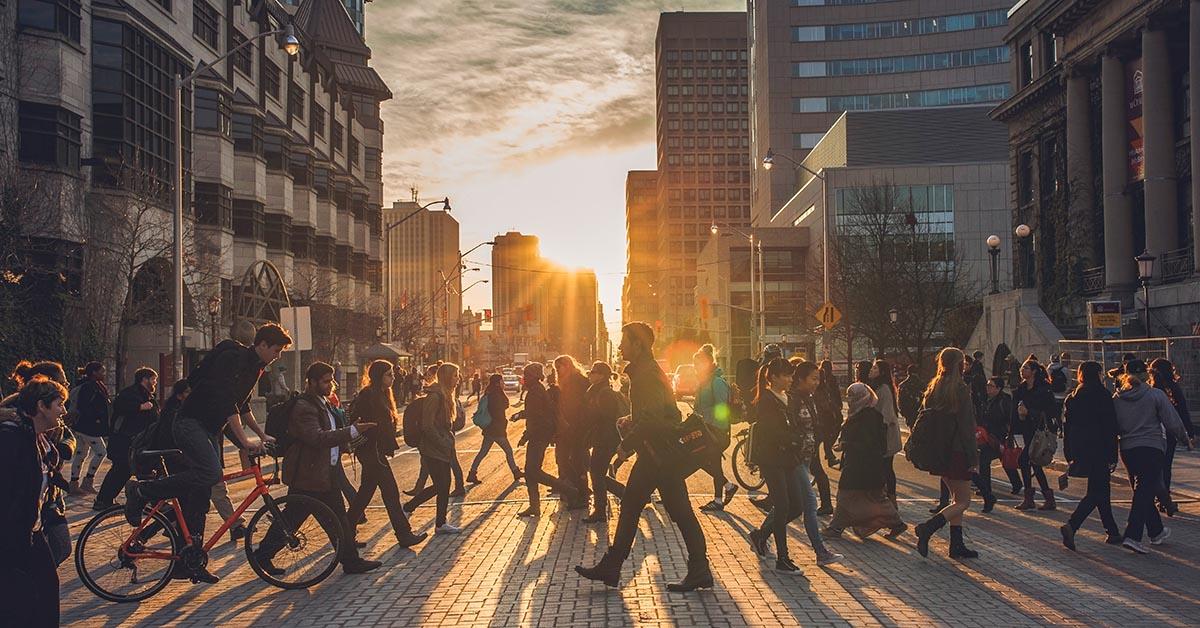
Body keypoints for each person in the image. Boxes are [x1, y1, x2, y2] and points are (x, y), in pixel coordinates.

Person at [124, 324, 288, 584]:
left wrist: (261, 434)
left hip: (210, 428)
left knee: (201, 495)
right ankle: (142, 491)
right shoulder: (234, 359)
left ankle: (190, 560)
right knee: (211, 473)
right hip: (190, 423)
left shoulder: (255, 368)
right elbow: (225, 400)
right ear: (263, 344)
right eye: (276, 350)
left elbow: (242, 404)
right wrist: (245, 441)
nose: (278, 356)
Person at [576, 322, 711, 592]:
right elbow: (655, 413)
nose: (621, 346)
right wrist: (632, 421)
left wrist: (626, 446)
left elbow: (651, 418)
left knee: (658, 510)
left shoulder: (647, 374)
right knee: (652, 509)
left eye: (625, 341)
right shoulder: (646, 372)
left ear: (637, 345)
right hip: (658, 455)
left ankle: (615, 566)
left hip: (657, 456)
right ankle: (696, 569)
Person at [253, 362, 382, 576]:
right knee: (293, 520)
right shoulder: (304, 407)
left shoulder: (322, 402)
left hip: (324, 473)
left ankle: (351, 561)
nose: (330, 384)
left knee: (336, 519)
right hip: (308, 474)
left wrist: (350, 439)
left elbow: (330, 433)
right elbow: (317, 437)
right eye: (325, 381)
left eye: (331, 380)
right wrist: (350, 432)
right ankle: (262, 556)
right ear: (311, 382)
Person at [748, 359, 842, 572]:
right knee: (782, 505)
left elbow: (794, 425)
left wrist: (797, 438)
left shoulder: (788, 398)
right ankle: (783, 558)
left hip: (790, 458)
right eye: (786, 375)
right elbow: (770, 431)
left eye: (791, 375)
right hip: (772, 459)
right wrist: (794, 438)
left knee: (797, 506)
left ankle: (761, 536)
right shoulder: (766, 400)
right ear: (773, 377)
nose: (790, 379)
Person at [1, 376, 68, 626]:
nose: (63, 410)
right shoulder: (11, 438)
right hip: (11, 534)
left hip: (32, 530)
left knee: (46, 591)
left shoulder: (38, 440)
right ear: (41, 406)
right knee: (20, 604)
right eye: (59, 404)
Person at [345, 360, 427, 549]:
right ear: (378, 376)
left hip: (376, 451)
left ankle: (346, 531)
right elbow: (367, 424)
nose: (393, 377)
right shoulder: (369, 395)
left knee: (365, 494)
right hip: (371, 451)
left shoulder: (382, 394)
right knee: (390, 493)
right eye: (389, 374)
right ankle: (404, 534)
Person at [1113, 359, 1190, 554]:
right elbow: (1172, 420)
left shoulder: (1117, 399)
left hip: (1128, 449)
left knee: (1143, 489)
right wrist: (1185, 438)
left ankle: (1156, 531)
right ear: (1146, 375)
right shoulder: (1155, 395)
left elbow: (1113, 426)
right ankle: (1133, 535)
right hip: (1151, 446)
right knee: (1144, 489)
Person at [3, 361, 76, 566]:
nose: (63, 410)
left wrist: (63, 448)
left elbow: (67, 436)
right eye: (61, 382)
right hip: (21, 520)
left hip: (46, 496)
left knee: (60, 548)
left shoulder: (39, 436)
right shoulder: (14, 429)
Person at [913, 347, 980, 560]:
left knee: (955, 497)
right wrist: (973, 457)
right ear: (959, 365)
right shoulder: (960, 389)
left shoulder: (934, 387)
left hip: (939, 449)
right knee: (963, 501)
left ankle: (956, 544)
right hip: (958, 450)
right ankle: (928, 528)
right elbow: (967, 426)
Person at [825, 383, 905, 540]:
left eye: (853, 396)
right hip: (867, 465)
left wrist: (846, 444)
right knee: (875, 497)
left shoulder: (869, 417)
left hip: (862, 464)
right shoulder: (863, 414)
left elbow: (868, 443)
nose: (850, 399)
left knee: (846, 495)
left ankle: (837, 527)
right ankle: (896, 523)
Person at [1059, 361, 1121, 550]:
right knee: (1096, 492)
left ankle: (1112, 531)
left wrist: (1068, 452)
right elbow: (1110, 427)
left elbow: (1067, 428)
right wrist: (1113, 454)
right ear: (1098, 375)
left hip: (1079, 448)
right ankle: (1072, 524)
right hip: (1099, 448)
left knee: (1101, 489)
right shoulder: (1102, 395)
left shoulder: (1073, 397)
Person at [402, 363, 465, 534]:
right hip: (433, 448)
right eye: (455, 376)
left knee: (444, 485)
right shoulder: (435, 397)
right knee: (441, 485)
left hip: (442, 448)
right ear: (446, 377)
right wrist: (443, 442)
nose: (458, 379)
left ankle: (440, 523)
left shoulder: (446, 395)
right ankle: (408, 507)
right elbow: (427, 425)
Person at [516, 362, 580, 517]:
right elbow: (534, 413)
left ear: (534, 376)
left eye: (527, 375)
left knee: (533, 471)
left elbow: (537, 416)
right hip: (538, 434)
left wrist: (526, 435)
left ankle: (570, 491)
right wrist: (521, 415)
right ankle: (534, 506)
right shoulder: (536, 390)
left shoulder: (536, 391)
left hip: (539, 435)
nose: (525, 378)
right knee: (530, 472)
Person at [93, 367, 159, 510]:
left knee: (144, 470)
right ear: (145, 379)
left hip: (138, 442)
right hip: (124, 441)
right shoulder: (130, 394)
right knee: (121, 470)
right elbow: (120, 407)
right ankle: (103, 500)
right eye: (153, 379)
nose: (155, 383)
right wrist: (140, 407)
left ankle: (151, 501)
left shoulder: (147, 395)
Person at [691, 344, 739, 512]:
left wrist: (707, 421)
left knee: (701, 459)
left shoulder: (716, 382)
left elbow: (721, 408)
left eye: (699, 364)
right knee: (713, 463)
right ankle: (722, 494)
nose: (696, 367)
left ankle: (725, 490)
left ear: (708, 363)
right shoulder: (704, 382)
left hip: (717, 431)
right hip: (707, 430)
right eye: (695, 364)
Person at [581, 362, 628, 522]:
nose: (590, 375)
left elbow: (607, 418)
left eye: (593, 372)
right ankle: (625, 495)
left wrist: (591, 420)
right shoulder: (597, 391)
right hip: (602, 438)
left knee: (596, 472)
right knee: (597, 472)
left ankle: (601, 510)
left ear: (601, 375)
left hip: (606, 439)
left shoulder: (604, 393)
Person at [1011, 358, 1056, 511]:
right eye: (1022, 368)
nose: (1022, 371)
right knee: (1033, 462)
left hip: (1039, 430)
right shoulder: (1021, 389)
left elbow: (1049, 411)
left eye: (1026, 368)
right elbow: (1015, 410)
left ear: (1034, 371)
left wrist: (1029, 412)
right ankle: (1044, 497)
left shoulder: (1043, 389)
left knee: (1025, 460)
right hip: (1026, 429)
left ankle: (1032, 497)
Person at [1148, 358, 1194, 498]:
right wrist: (1189, 432)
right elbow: (1182, 411)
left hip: (1153, 434)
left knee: (1154, 468)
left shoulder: (1151, 390)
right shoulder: (1174, 388)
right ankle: (1164, 495)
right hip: (1169, 434)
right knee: (1166, 466)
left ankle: (1156, 495)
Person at [467, 374, 523, 484]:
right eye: (502, 381)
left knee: (483, 452)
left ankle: (472, 473)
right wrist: (503, 424)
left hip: (489, 429)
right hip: (496, 430)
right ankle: (515, 472)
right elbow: (498, 412)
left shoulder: (490, 393)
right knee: (508, 451)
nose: (503, 383)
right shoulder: (496, 395)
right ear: (497, 383)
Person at [69, 361, 111, 495]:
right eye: (101, 371)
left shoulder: (88, 385)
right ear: (94, 372)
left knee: (81, 454)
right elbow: (85, 406)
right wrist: (97, 418)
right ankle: (88, 481)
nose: (104, 374)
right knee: (101, 452)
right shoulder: (90, 387)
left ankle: (74, 484)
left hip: (81, 425)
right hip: (89, 426)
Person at [973, 377, 1011, 513]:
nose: (988, 388)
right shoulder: (986, 400)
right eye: (987, 385)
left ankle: (989, 493)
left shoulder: (1004, 401)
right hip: (987, 437)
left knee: (1004, 460)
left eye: (991, 386)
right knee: (984, 462)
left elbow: (1009, 419)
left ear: (998, 388)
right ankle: (987, 492)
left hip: (999, 437)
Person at [554, 355, 591, 496]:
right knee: (568, 459)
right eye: (556, 368)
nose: (558, 370)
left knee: (575, 460)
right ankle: (578, 489)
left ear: (568, 366)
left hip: (576, 427)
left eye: (559, 367)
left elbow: (579, 404)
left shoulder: (578, 381)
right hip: (568, 427)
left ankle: (580, 491)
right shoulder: (567, 381)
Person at [868, 359, 902, 509]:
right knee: (884, 468)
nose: (871, 370)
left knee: (886, 468)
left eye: (875, 369)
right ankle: (887, 499)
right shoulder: (878, 387)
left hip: (886, 435)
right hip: (883, 434)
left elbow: (886, 415)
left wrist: (876, 430)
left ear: (881, 372)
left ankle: (891, 500)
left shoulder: (884, 389)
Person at [815, 360, 843, 471]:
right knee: (827, 435)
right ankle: (829, 454)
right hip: (827, 414)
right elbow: (834, 394)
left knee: (825, 436)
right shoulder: (824, 384)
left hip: (827, 413)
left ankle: (829, 454)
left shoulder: (822, 383)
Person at [897, 365, 924, 430]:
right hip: (920, 412)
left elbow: (900, 401)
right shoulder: (922, 384)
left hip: (908, 412)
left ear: (907, 372)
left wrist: (903, 412)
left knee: (912, 430)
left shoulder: (902, 385)